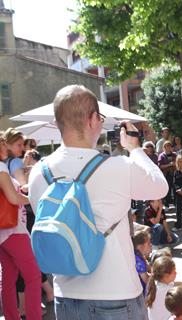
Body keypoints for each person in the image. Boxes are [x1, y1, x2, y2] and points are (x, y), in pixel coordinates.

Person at [28, 85, 168, 318]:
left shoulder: (38, 173)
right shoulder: (117, 167)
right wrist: (134, 149)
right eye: (100, 118)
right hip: (116, 295)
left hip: (67, 298)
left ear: (58, 122)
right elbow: (159, 186)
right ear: (93, 119)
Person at [0, 132, 42, 320]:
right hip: (13, 229)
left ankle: (11, 317)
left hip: (3, 232)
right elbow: (12, 197)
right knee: (33, 275)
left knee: (8, 277)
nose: (4, 146)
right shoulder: (1, 167)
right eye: (1, 143)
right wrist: (35, 200)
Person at [146, 256, 177, 320]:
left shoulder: (155, 284)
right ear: (166, 276)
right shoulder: (168, 291)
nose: (176, 273)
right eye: (174, 272)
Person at [133, 229, 153, 295]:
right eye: (148, 243)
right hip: (140, 293)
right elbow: (146, 280)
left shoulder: (139, 256)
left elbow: (149, 268)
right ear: (140, 246)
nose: (151, 245)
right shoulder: (138, 260)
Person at [159, 141, 177, 207]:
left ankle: (176, 203)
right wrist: (169, 164)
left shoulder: (175, 155)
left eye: (169, 145)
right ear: (164, 147)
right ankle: (167, 204)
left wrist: (175, 164)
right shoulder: (161, 155)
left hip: (175, 174)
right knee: (168, 190)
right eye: (167, 146)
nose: (168, 147)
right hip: (166, 175)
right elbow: (160, 166)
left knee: (175, 189)